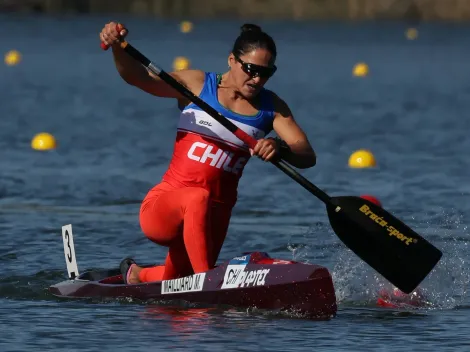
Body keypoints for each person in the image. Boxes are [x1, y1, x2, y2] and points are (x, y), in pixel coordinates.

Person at [99, 22, 317, 284]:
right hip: (165, 207)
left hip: (214, 219)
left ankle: (138, 275)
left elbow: (306, 154)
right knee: (198, 198)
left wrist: (279, 147)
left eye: (266, 73)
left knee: (178, 281)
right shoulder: (198, 84)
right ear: (231, 60)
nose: (257, 79)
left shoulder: (271, 108)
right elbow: (139, 78)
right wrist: (118, 49)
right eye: (251, 69)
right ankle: (207, 282)